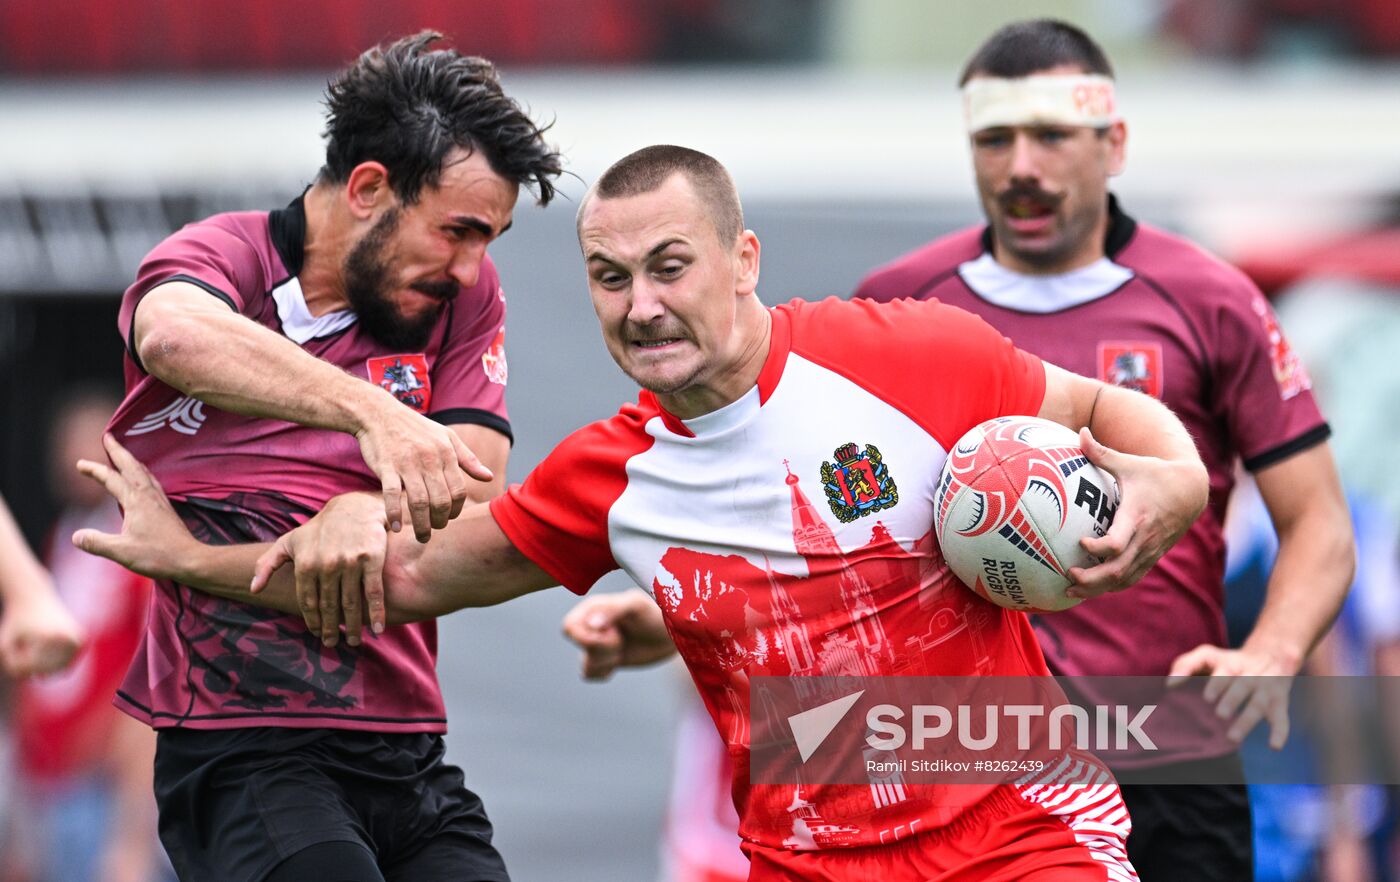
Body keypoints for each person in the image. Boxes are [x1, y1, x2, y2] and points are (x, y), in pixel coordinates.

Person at [77, 145, 1209, 881]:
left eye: (670, 266)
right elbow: (406, 581)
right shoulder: (613, 476)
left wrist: (1176, 477)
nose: (644, 305)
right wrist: (193, 559)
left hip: (1023, 838)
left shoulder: (912, 355)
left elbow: (1100, 407)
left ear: (742, 260)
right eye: (610, 278)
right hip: (802, 862)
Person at [847, 20, 1355, 881]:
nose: (1021, 166)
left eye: (1051, 136)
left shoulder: (1211, 300)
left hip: (1168, 761)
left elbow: (1321, 525)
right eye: (995, 140)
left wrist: (1270, 653)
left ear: (1112, 144)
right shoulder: (898, 304)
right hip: (966, 764)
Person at [84, 31, 561, 882]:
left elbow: (477, 487)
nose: (470, 267)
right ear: (369, 188)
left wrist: (361, 509)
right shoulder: (224, 256)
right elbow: (173, 337)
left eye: (488, 239)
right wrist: (373, 414)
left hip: (406, 746)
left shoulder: (461, 301)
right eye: (456, 232)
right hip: (241, 739)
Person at [9, 390, 168, 882]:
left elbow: (156, 668)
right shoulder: (61, 536)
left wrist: (131, 832)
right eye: (66, 446)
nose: (74, 461)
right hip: (48, 778)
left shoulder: (139, 543)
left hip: (103, 783)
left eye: (88, 445)